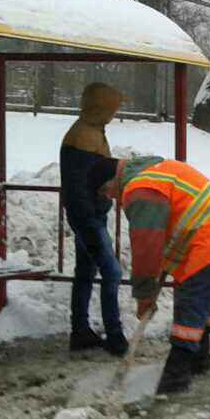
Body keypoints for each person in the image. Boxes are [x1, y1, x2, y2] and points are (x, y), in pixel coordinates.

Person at [88, 155, 210, 394]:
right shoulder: (153, 171)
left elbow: (147, 246)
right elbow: (165, 233)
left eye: (106, 190)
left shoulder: (141, 189)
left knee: (190, 300)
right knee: (199, 298)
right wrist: (153, 284)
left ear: (112, 179)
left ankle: (176, 375)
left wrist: (145, 293)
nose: (110, 197)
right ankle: (200, 360)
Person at [59, 83, 127, 355]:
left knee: (85, 272)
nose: (115, 113)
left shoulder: (93, 131)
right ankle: (114, 334)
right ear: (101, 109)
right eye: (112, 108)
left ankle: (80, 330)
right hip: (88, 218)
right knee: (111, 272)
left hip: (93, 214)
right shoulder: (83, 137)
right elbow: (78, 189)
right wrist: (88, 224)